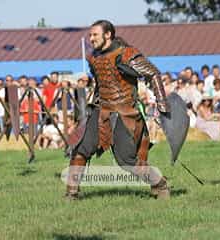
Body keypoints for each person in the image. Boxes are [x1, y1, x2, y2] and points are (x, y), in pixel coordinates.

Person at [64, 20, 171, 200]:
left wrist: (162, 105)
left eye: (95, 35)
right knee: (80, 149)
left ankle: (159, 183)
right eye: (90, 35)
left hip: (125, 113)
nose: (91, 39)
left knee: (126, 161)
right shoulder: (93, 58)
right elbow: (101, 84)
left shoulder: (126, 54)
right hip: (101, 110)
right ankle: (71, 193)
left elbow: (153, 74)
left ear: (108, 35)